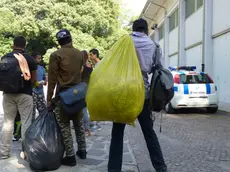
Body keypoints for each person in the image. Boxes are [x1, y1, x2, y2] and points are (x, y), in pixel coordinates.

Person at [107, 19, 167, 172]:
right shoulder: (155, 46)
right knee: (149, 133)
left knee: (117, 134)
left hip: (123, 93)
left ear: (133, 29)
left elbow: (113, 65)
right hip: (143, 95)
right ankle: (160, 168)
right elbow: (157, 68)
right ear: (146, 30)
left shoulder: (123, 42)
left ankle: (114, 169)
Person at [47, 29, 87, 166]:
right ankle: (82, 150)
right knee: (78, 123)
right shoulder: (80, 54)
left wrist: (49, 99)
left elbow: (52, 80)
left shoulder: (55, 55)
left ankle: (70, 156)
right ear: (71, 39)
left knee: (64, 125)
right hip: (78, 95)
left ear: (59, 42)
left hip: (63, 96)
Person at [0, 36, 37, 159]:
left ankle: (4, 153)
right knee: (26, 122)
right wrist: (26, 87)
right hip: (25, 94)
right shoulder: (30, 59)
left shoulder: (5, 57)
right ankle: (26, 153)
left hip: (8, 94)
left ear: (13, 45)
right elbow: (34, 79)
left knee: (7, 123)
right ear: (25, 45)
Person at [88, 48, 102, 131]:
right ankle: (95, 122)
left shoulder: (99, 64)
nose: (90, 56)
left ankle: (97, 124)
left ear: (95, 55)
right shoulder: (95, 64)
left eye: (91, 55)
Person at [32, 52, 47, 122]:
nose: (40, 60)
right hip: (32, 93)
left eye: (40, 58)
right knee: (32, 113)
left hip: (41, 93)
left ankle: (42, 126)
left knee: (43, 112)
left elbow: (45, 79)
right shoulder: (30, 68)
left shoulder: (42, 68)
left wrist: (44, 81)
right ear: (34, 58)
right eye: (38, 58)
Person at [81, 50, 93, 136]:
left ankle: (87, 129)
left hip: (81, 88)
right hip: (88, 87)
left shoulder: (81, 67)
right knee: (85, 109)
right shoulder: (90, 66)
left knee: (83, 109)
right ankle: (87, 128)